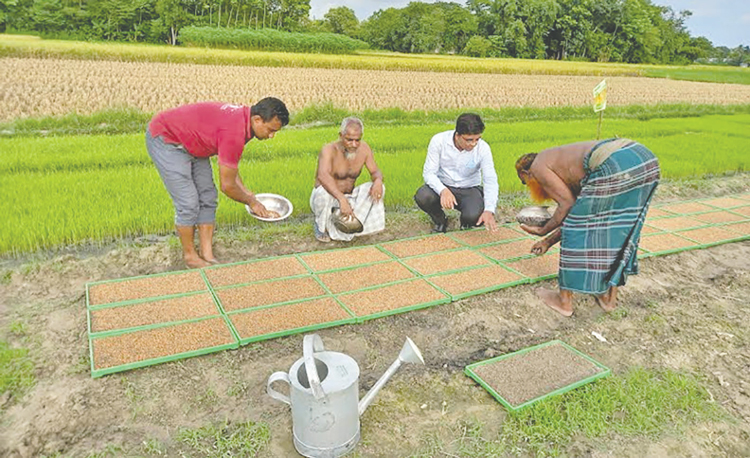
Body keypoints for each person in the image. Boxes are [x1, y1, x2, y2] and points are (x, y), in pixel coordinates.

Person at [515, 138, 660, 317]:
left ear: (527, 173)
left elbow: (568, 208)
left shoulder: (538, 167)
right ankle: (608, 298)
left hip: (614, 164)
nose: (529, 187)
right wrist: (547, 242)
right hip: (644, 159)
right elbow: (578, 211)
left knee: (575, 231)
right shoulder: (567, 167)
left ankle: (564, 302)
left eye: (525, 182)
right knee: (618, 230)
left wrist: (543, 230)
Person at [146, 97, 289, 268]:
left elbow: (231, 169)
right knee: (188, 202)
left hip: (195, 142)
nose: (271, 136)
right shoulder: (234, 131)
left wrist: (249, 194)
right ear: (257, 119)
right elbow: (227, 186)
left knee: (208, 196)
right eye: (270, 130)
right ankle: (190, 256)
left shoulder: (246, 122)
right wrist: (250, 201)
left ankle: (207, 254)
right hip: (167, 138)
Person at [414, 113, 498, 233]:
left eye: (477, 139)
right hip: (444, 185)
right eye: (469, 140)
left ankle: (465, 225)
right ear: (457, 135)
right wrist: (443, 190)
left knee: (474, 216)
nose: (473, 144)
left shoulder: (483, 149)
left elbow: (490, 180)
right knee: (423, 196)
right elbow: (429, 173)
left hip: (469, 188)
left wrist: (489, 210)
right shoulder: (439, 141)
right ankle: (440, 221)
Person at [310, 117, 385, 242]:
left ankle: (352, 224)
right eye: (349, 140)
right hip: (329, 198)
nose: (354, 144)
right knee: (323, 192)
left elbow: (375, 171)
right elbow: (322, 176)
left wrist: (378, 181)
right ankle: (321, 226)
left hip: (349, 198)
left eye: (357, 140)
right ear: (341, 135)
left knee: (379, 187)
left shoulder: (364, 149)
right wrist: (341, 199)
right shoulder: (329, 150)